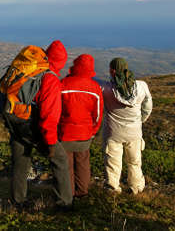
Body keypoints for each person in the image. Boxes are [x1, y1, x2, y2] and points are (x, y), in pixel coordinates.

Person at [10, 40, 73, 210]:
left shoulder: (31, 70)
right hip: (32, 126)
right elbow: (49, 116)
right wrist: (51, 142)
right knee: (60, 159)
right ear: (61, 62)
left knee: (20, 160)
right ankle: (64, 203)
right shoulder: (50, 79)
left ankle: (18, 201)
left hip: (15, 120)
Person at [98, 57, 152, 194]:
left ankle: (112, 188)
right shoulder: (141, 86)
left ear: (112, 71)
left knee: (112, 163)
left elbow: (93, 83)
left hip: (113, 132)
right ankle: (136, 187)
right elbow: (147, 107)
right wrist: (141, 120)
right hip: (134, 132)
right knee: (134, 162)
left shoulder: (106, 89)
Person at [60, 54, 103, 199]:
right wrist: (93, 131)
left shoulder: (63, 84)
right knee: (83, 164)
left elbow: (55, 110)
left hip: (65, 133)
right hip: (85, 134)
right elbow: (97, 115)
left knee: (66, 166)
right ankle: (82, 193)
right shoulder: (95, 88)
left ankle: (68, 195)